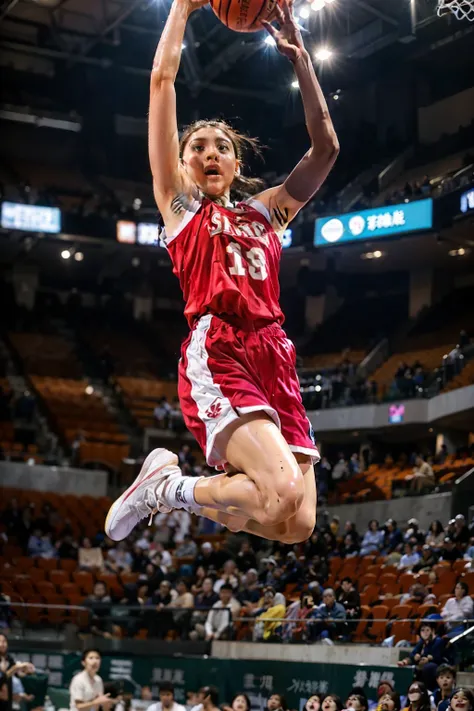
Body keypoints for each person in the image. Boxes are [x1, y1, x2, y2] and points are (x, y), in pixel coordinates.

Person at [104, 0, 339, 546]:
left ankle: (184, 489)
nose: (210, 153)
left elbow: (326, 147)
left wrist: (301, 57)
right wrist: (184, 9)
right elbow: (162, 81)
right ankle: (164, 489)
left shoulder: (268, 211)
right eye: (198, 147)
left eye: (222, 147)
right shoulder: (181, 211)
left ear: (237, 165)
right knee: (277, 493)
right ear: (184, 164)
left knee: (296, 524)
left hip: (274, 352)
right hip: (222, 346)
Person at [397, 621, 446, 690]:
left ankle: (428, 690)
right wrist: (406, 661)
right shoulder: (422, 642)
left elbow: (438, 656)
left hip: (437, 665)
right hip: (422, 665)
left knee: (428, 667)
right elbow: (413, 654)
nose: (425, 633)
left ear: (432, 631)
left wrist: (428, 659)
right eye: (422, 630)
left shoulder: (438, 641)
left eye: (427, 630)